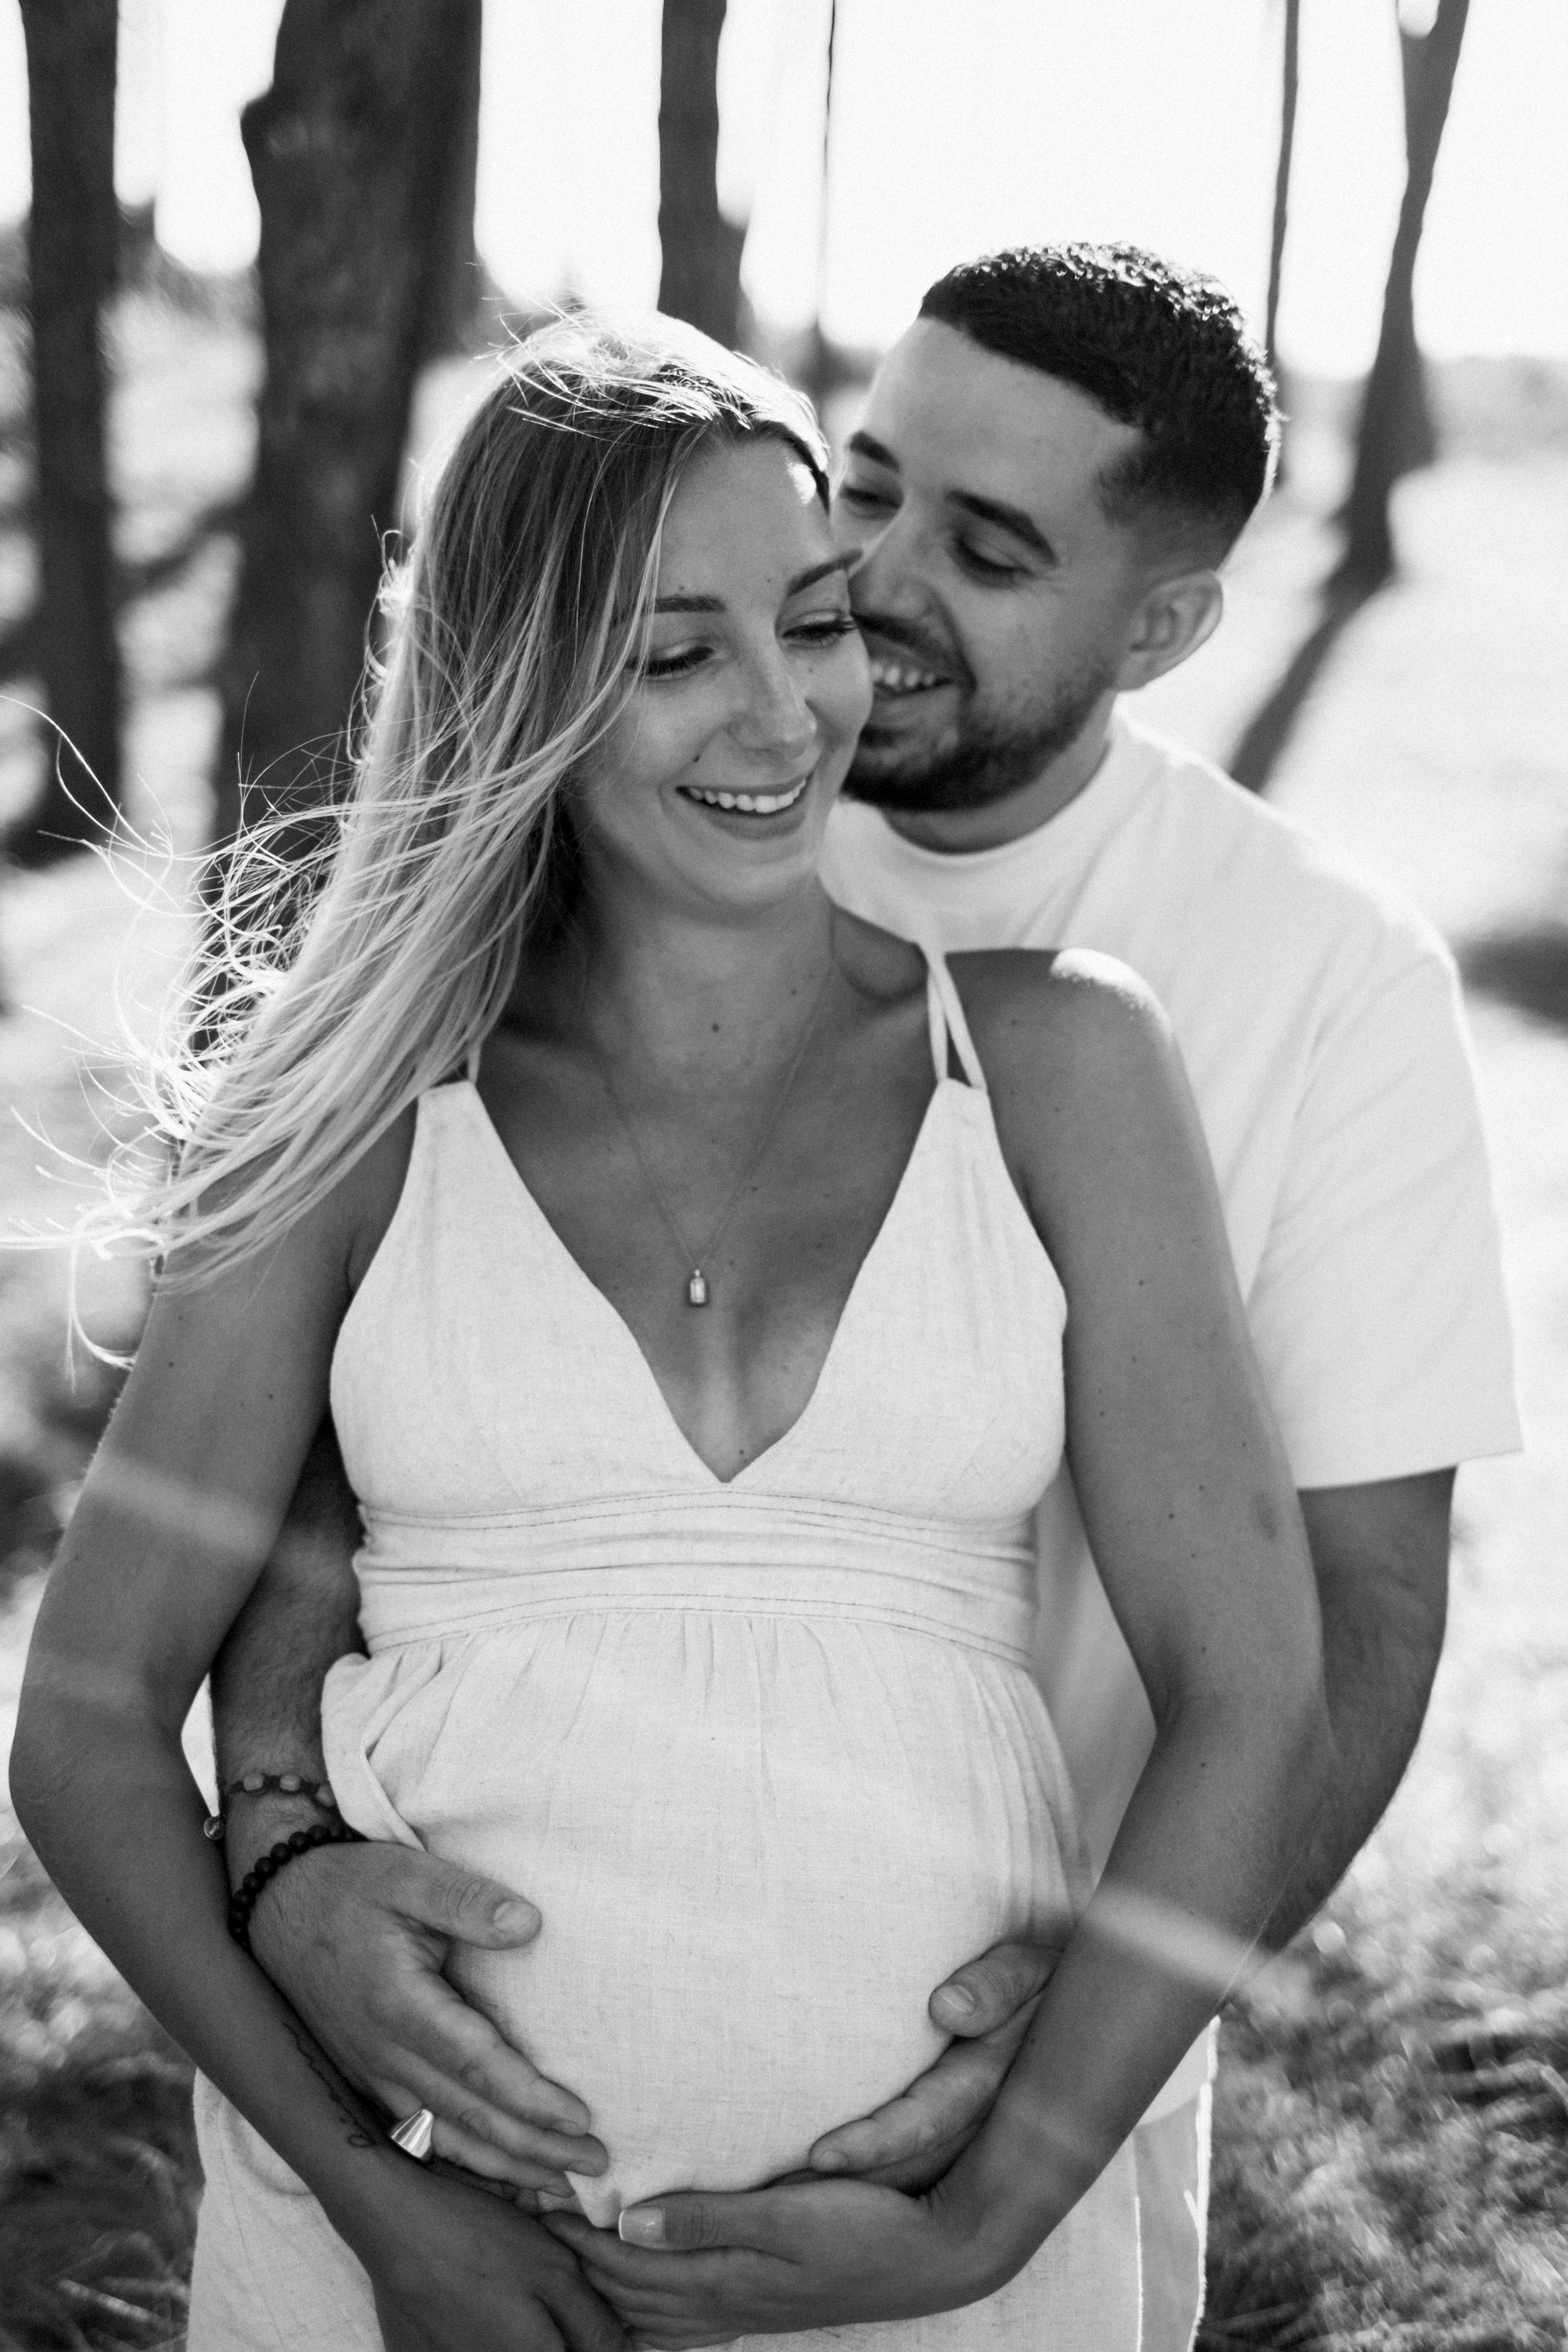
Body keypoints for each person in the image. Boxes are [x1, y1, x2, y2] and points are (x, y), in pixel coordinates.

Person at [205, 248, 1521, 2352]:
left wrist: (1065, 2062)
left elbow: (1349, 1625)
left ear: (1161, 628)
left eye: (987, 552)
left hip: (1005, 2083)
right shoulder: (632, 832)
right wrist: (278, 1838)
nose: (876, 588)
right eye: (876, 484)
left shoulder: (1305, 985)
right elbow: (340, 1423)